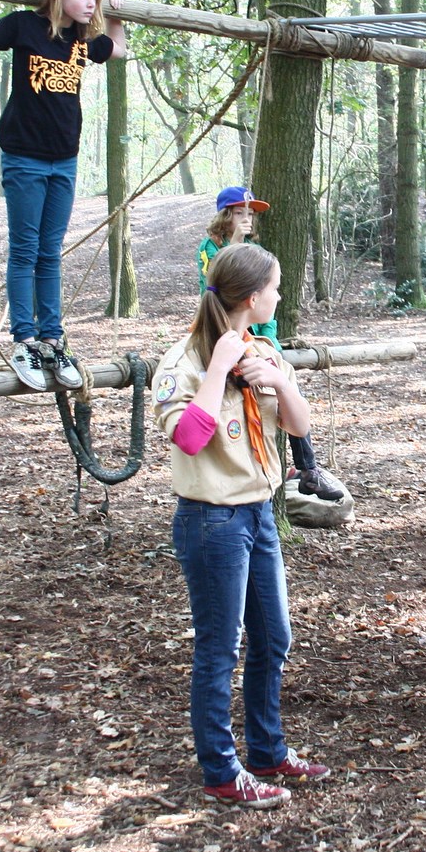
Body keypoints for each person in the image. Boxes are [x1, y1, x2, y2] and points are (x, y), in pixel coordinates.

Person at [151, 242, 332, 808]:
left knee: (274, 637)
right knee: (219, 648)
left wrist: (280, 382)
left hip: (259, 514)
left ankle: (267, 750)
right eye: (275, 288)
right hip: (212, 521)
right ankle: (221, 771)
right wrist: (217, 370)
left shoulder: (264, 349)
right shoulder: (183, 362)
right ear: (253, 297)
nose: (279, 295)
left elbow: (298, 426)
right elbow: (188, 438)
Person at [0, 0, 127, 391]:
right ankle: (25, 341)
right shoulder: (24, 26)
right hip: (24, 156)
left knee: (50, 252)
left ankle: (52, 339)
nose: (90, 3)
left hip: (64, 159)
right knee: (25, 249)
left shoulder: (84, 38)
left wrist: (115, 10)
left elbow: (119, 49)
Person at [197, 186, 346, 504]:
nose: (247, 219)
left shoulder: (257, 251)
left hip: (255, 342)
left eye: (250, 214)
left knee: (285, 391)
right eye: (240, 212)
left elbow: (266, 310)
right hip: (223, 337)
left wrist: (272, 347)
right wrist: (235, 244)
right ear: (225, 216)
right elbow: (214, 287)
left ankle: (308, 469)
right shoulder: (209, 248)